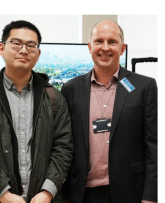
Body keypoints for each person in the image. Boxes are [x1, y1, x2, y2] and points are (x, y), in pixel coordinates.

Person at [0, 20, 72, 203]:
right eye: (16, 44)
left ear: (38, 54)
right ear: (1, 48)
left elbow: (63, 148)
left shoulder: (54, 98)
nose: (24, 50)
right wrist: (4, 195)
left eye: (31, 46)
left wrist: (47, 192)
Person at [61, 20, 157, 203]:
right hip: (83, 194)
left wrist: (150, 197)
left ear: (122, 48)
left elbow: (154, 145)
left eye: (112, 42)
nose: (105, 47)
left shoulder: (144, 87)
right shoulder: (70, 89)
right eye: (99, 41)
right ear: (90, 47)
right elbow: (65, 145)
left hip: (131, 192)